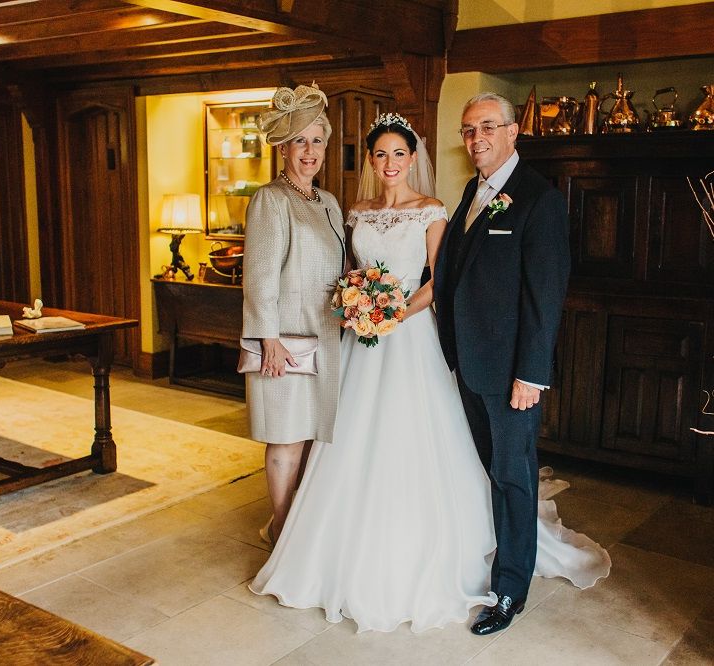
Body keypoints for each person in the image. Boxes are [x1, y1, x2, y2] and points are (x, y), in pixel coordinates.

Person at [250, 112, 610, 634]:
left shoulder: (440, 208)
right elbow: (350, 273)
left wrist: (393, 313)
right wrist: (358, 303)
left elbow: (443, 279)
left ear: (413, 158)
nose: (390, 162)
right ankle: (332, 547)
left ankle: (505, 578)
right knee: (351, 442)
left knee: (452, 451)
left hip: (414, 339)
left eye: (399, 153)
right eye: (380, 154)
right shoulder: (356, 211)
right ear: (370, 162)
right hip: (364, 345)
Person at [433, 92, 573, 635]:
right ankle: (488, 557)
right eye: (469, 130)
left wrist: (531, 375)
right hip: (469, 365)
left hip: (512, 373)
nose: (476, 139)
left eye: (488, 127)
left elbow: (545, 295)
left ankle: (510, 590)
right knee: (487, 472)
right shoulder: (473, 192)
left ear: (514, 132)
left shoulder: (539, 199)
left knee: (514, 479)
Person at [242, 83, 345, 545]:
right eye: (300, 141)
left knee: (310, 434)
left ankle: (296, 523)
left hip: (325, 338)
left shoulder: (327, 202)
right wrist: (268, 340)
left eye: (317, 140)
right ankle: (280, 529)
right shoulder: (271, 199)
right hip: (285, 341)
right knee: (285, 438)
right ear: (284, 147)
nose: (310, 151)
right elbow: (259, 276)